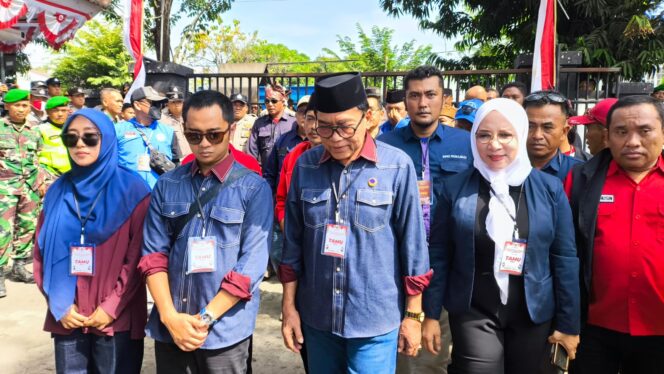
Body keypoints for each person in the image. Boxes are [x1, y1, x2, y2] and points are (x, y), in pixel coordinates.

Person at [280, 72, 431, 373]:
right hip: (318, 317)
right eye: (324, 128)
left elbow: (414, 246)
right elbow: (292, 246)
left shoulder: (395, 166)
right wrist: (288, 309)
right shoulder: (305, 166)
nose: (335, 138)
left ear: (369, 118)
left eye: (345, 127)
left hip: (374, 319)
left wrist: (413, 316)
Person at [424, 98, 580, 374]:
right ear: (473, 138)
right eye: (484, 135)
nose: (494, 144)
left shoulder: (549, 189)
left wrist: (568, 324)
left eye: (505, 135)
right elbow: (439, 254)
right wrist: (431, 314)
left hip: (534, 311)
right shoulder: (454, 188)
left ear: (520, 135)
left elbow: (564, 258)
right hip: (474, 310)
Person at [139, 90, 272, 374]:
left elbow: (251, 265)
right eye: (194, 136)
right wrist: (169, 317)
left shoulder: (253, 189)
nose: (204, 144)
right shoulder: (167, 185)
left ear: (231, 129)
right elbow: (153, 257)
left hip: (224, 331)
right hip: (171, 328)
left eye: (214, 135)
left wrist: (206, 318)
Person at [33, 108, 151, 373]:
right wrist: (59, 304)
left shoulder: (133, 191)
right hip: (68, 315)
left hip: (115, 318)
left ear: (107, 138)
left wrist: (110, 307)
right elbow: (40, 253)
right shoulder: (57, 191)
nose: (79, 145)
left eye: (90, 138)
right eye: (71, 138)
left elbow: (138, 258)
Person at [379, 66, 473, 374]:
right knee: (400, 355)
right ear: (404, 101)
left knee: (438, 353)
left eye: (430, 95)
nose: (422, 103)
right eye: (415, 95)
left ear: (444, 99)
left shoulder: (465, 145)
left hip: (449, 261)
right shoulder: (386, 147)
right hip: (397, 262)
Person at [565, 95, 664, 373]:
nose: (632, 141)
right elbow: (566, 250)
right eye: (621, 132)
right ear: (608, 136)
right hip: (596, 328)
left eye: (644, 130)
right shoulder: (582, 179)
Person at [0, 89, 45, 296]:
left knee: (27, 227)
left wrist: (41, 181)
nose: (21, 109)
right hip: (5, 188)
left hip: (30, 187)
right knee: (3, 231)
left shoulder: (34, 130)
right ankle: (0, 272)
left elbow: (39, 156)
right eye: (16, 105)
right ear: (7, 106)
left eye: (25, 105)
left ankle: (19, 266)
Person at [115, 86, 179, 189]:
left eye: (160, 103)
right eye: (153, 103)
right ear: (137, 105)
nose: (159, 106)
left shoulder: (169, 131)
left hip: (160, 194)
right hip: (129, 195)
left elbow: (177, 164)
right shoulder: (118, 131)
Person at [524, 90, 583, 182]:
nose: (537, 135)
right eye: (530, 126)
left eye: (547, 127)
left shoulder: (580, 173)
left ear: (564, 132)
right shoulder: (505, 169)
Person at [263, 95, 309, 194]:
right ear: (296, 115)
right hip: (283, 199)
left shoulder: (322, 142)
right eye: (302, 111)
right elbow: (270, 174)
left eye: (310, 112)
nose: (305, 116)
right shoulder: (283, 140)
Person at [246, 84, 296, 165]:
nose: (270, 104)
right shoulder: (259, 123)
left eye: (274, 101)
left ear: (283, 102)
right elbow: (251, 152)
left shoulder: (293, 123)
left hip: (287, 174)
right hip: (265, 174)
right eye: (267, 101)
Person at [38, 96, 72, 189]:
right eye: (56, 111)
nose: (60, 114)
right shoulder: (40, 130)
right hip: (50, 176)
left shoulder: (73, 128)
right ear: (48, 112)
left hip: (72, 175)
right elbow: (33, 157)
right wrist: (40, 179)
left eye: (63, 110)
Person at [161, 87, 191, 159]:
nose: (176, 105)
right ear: (167, 104)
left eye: (179, 102)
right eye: (173, 102)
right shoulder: (161, 120)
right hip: (175, 159)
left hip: (191, 157)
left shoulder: (189, 116)